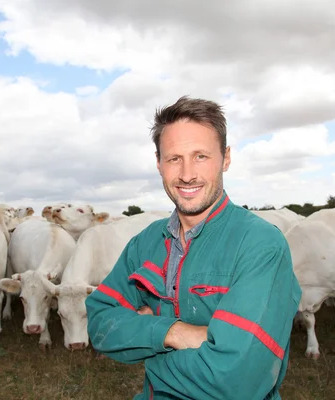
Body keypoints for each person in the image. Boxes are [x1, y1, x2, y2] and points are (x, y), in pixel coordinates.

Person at [85, 96, 302, 400]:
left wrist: (148, 341)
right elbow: (99, 323)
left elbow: (238, 380)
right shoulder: (145, 243)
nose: (187, 174)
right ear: (159, 163)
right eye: (174, 158)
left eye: (200, 156)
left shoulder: (260, 244)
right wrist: (173, 333)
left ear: (225, 158)